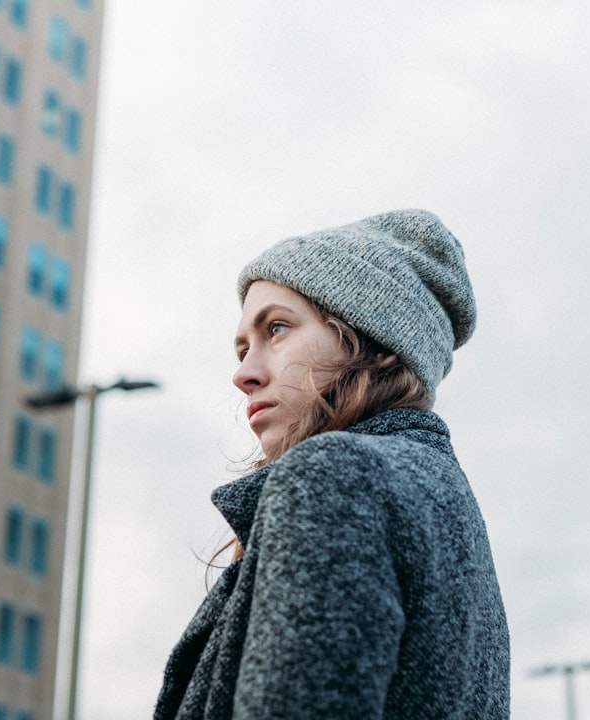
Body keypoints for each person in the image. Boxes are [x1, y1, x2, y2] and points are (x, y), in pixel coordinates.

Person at [154, 209, 510, 719]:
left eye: (276, 328)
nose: (245, 374)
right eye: (241, 350)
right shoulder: (441, 500)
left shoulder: (333, 477)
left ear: (374, 344)